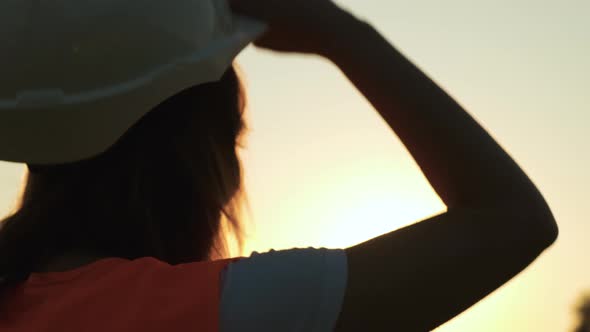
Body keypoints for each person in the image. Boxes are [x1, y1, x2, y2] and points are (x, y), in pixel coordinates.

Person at [0, 0, 558, 331]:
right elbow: (514, 220)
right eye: (235, 142)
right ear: (194, 151)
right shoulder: (204, 313)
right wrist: (341, 33)